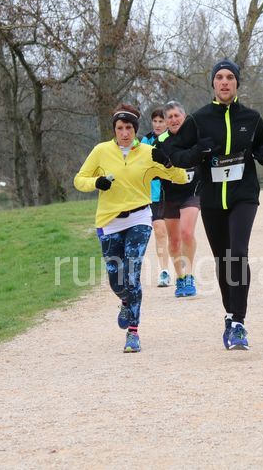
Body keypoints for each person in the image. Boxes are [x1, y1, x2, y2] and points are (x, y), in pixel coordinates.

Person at [165, 58, 263, 350]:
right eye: (219, 77)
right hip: (212, 198)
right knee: (223, 259)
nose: (225, 82)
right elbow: (175, 153)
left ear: (237, 83)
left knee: (238, 253)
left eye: (230, 77)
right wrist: (196, 153)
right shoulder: (198, 120)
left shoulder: (251, 118)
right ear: (213, 83)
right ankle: (229, 313)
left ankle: (238, 322)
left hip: (244, 195)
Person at [74, 103, 187, 353]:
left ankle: (133, 332)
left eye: (128, 128)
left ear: (135, 129)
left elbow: (180, 178)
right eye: (120, 128)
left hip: (139, 218)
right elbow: (79, 180)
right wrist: (97, 182)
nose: (124, 133)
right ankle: (125, 300)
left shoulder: (149, 152)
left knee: (132, 272)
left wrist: (168, 163)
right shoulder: (101, 151)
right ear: (114, 129)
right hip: (109, 221)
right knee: (116, 278)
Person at [157, 101, 201, 297]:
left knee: (187, 233)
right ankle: (180, 277)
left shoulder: (195, 135)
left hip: (192, 192)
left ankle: (189, 275)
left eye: (177, 116)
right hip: (170, 194)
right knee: (174, 241)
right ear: (166, 121)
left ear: (184, 117)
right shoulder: (161, 141)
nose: (174, 120)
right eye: (170, 117)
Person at [140, 108, 173, 287]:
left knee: (175, 232)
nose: (158, 125)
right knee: (159, 230)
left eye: (161, 121)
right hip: (153, 193)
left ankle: (180, 262)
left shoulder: (173, 139)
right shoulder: (145, 141)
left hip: (173, 191)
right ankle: (164, 271)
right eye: (155, 121)